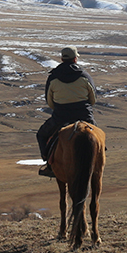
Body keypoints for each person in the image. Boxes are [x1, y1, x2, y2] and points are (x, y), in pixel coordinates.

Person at [36, 45, 96, 178]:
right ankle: (98, 159)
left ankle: (49, 165)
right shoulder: (84, 76)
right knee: (97, 137)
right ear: (75, 59)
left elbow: (49, 101)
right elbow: (93, 99)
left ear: (62, 58)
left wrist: (60, 108)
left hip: (60, 117)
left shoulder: (53, 77)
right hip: (84, 116)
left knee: (41, 135)